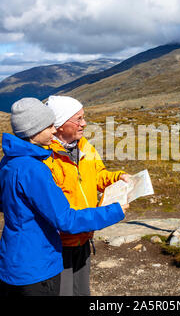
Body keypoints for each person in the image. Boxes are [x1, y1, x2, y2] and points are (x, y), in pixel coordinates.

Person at [0, 97, 128, 296]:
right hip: (40, 260)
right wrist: (114, 211)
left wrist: (116, 177)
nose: (54, 130)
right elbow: (65, 219)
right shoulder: (37, 167)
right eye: (50, 126)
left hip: (17, 257)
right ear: (35, 130)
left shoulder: (10, 160)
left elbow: (1, 203)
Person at [43, 95, 130, 296]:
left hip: (84, 235)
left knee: (82, 292)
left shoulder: (84, 146)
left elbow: (97, 174)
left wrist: (117, 177)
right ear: (60, 125)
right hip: (59, 243)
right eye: (78, 119)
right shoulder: (48, 157)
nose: (85, 123)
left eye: (84, 117)